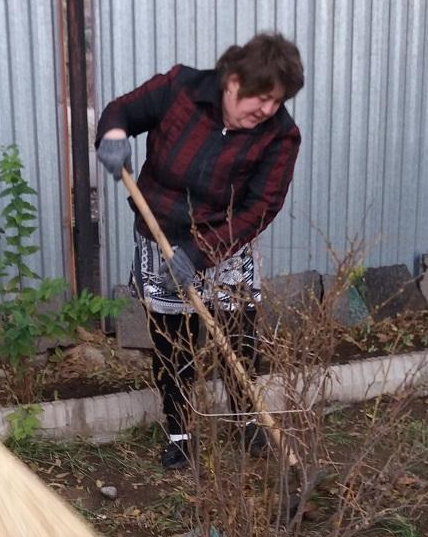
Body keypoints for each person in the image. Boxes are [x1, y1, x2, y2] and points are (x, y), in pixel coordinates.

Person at [95, 32, 304, 469]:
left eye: (276, 102)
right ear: (232, 80)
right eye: (261, 98)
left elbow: (261, 208)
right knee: (174, 344)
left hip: (226, 243)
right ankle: (180, 433)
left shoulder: (280, 136)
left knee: (239, 341)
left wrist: (202, 253)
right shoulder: (181, 89)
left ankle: (247, 420)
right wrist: (113, 134)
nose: (267, 110)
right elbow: (122, 110)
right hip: (162, 236)